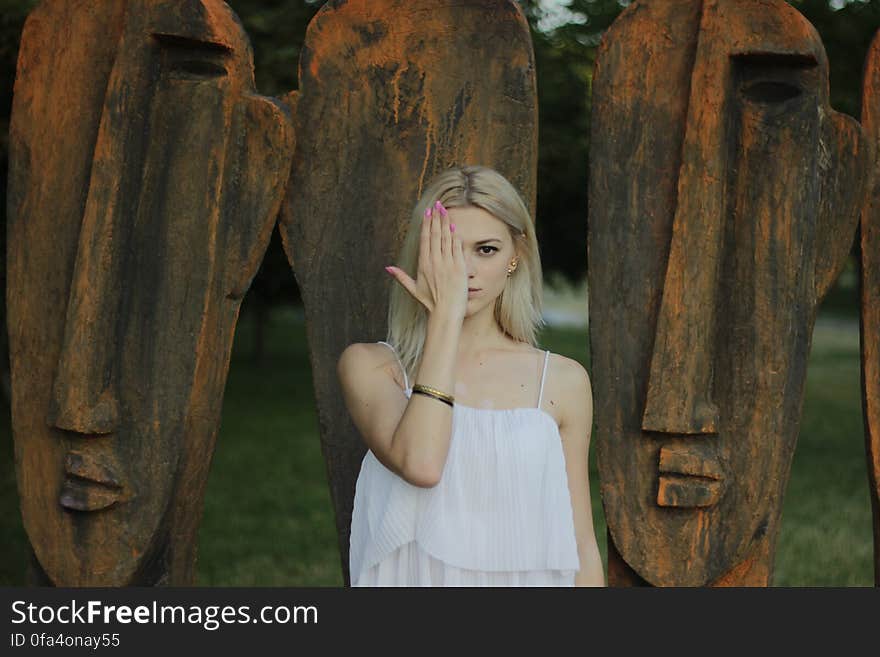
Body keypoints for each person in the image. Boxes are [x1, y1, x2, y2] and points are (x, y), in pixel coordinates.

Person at [337, 165, 604, 586]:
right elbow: (422, 464)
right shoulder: (372, 367)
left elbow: (581, 544)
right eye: (449, 249)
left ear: (516, 256)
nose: (465, 271)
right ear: (423, 253)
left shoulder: (562, 381)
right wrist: (445, 319)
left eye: (486, 249)